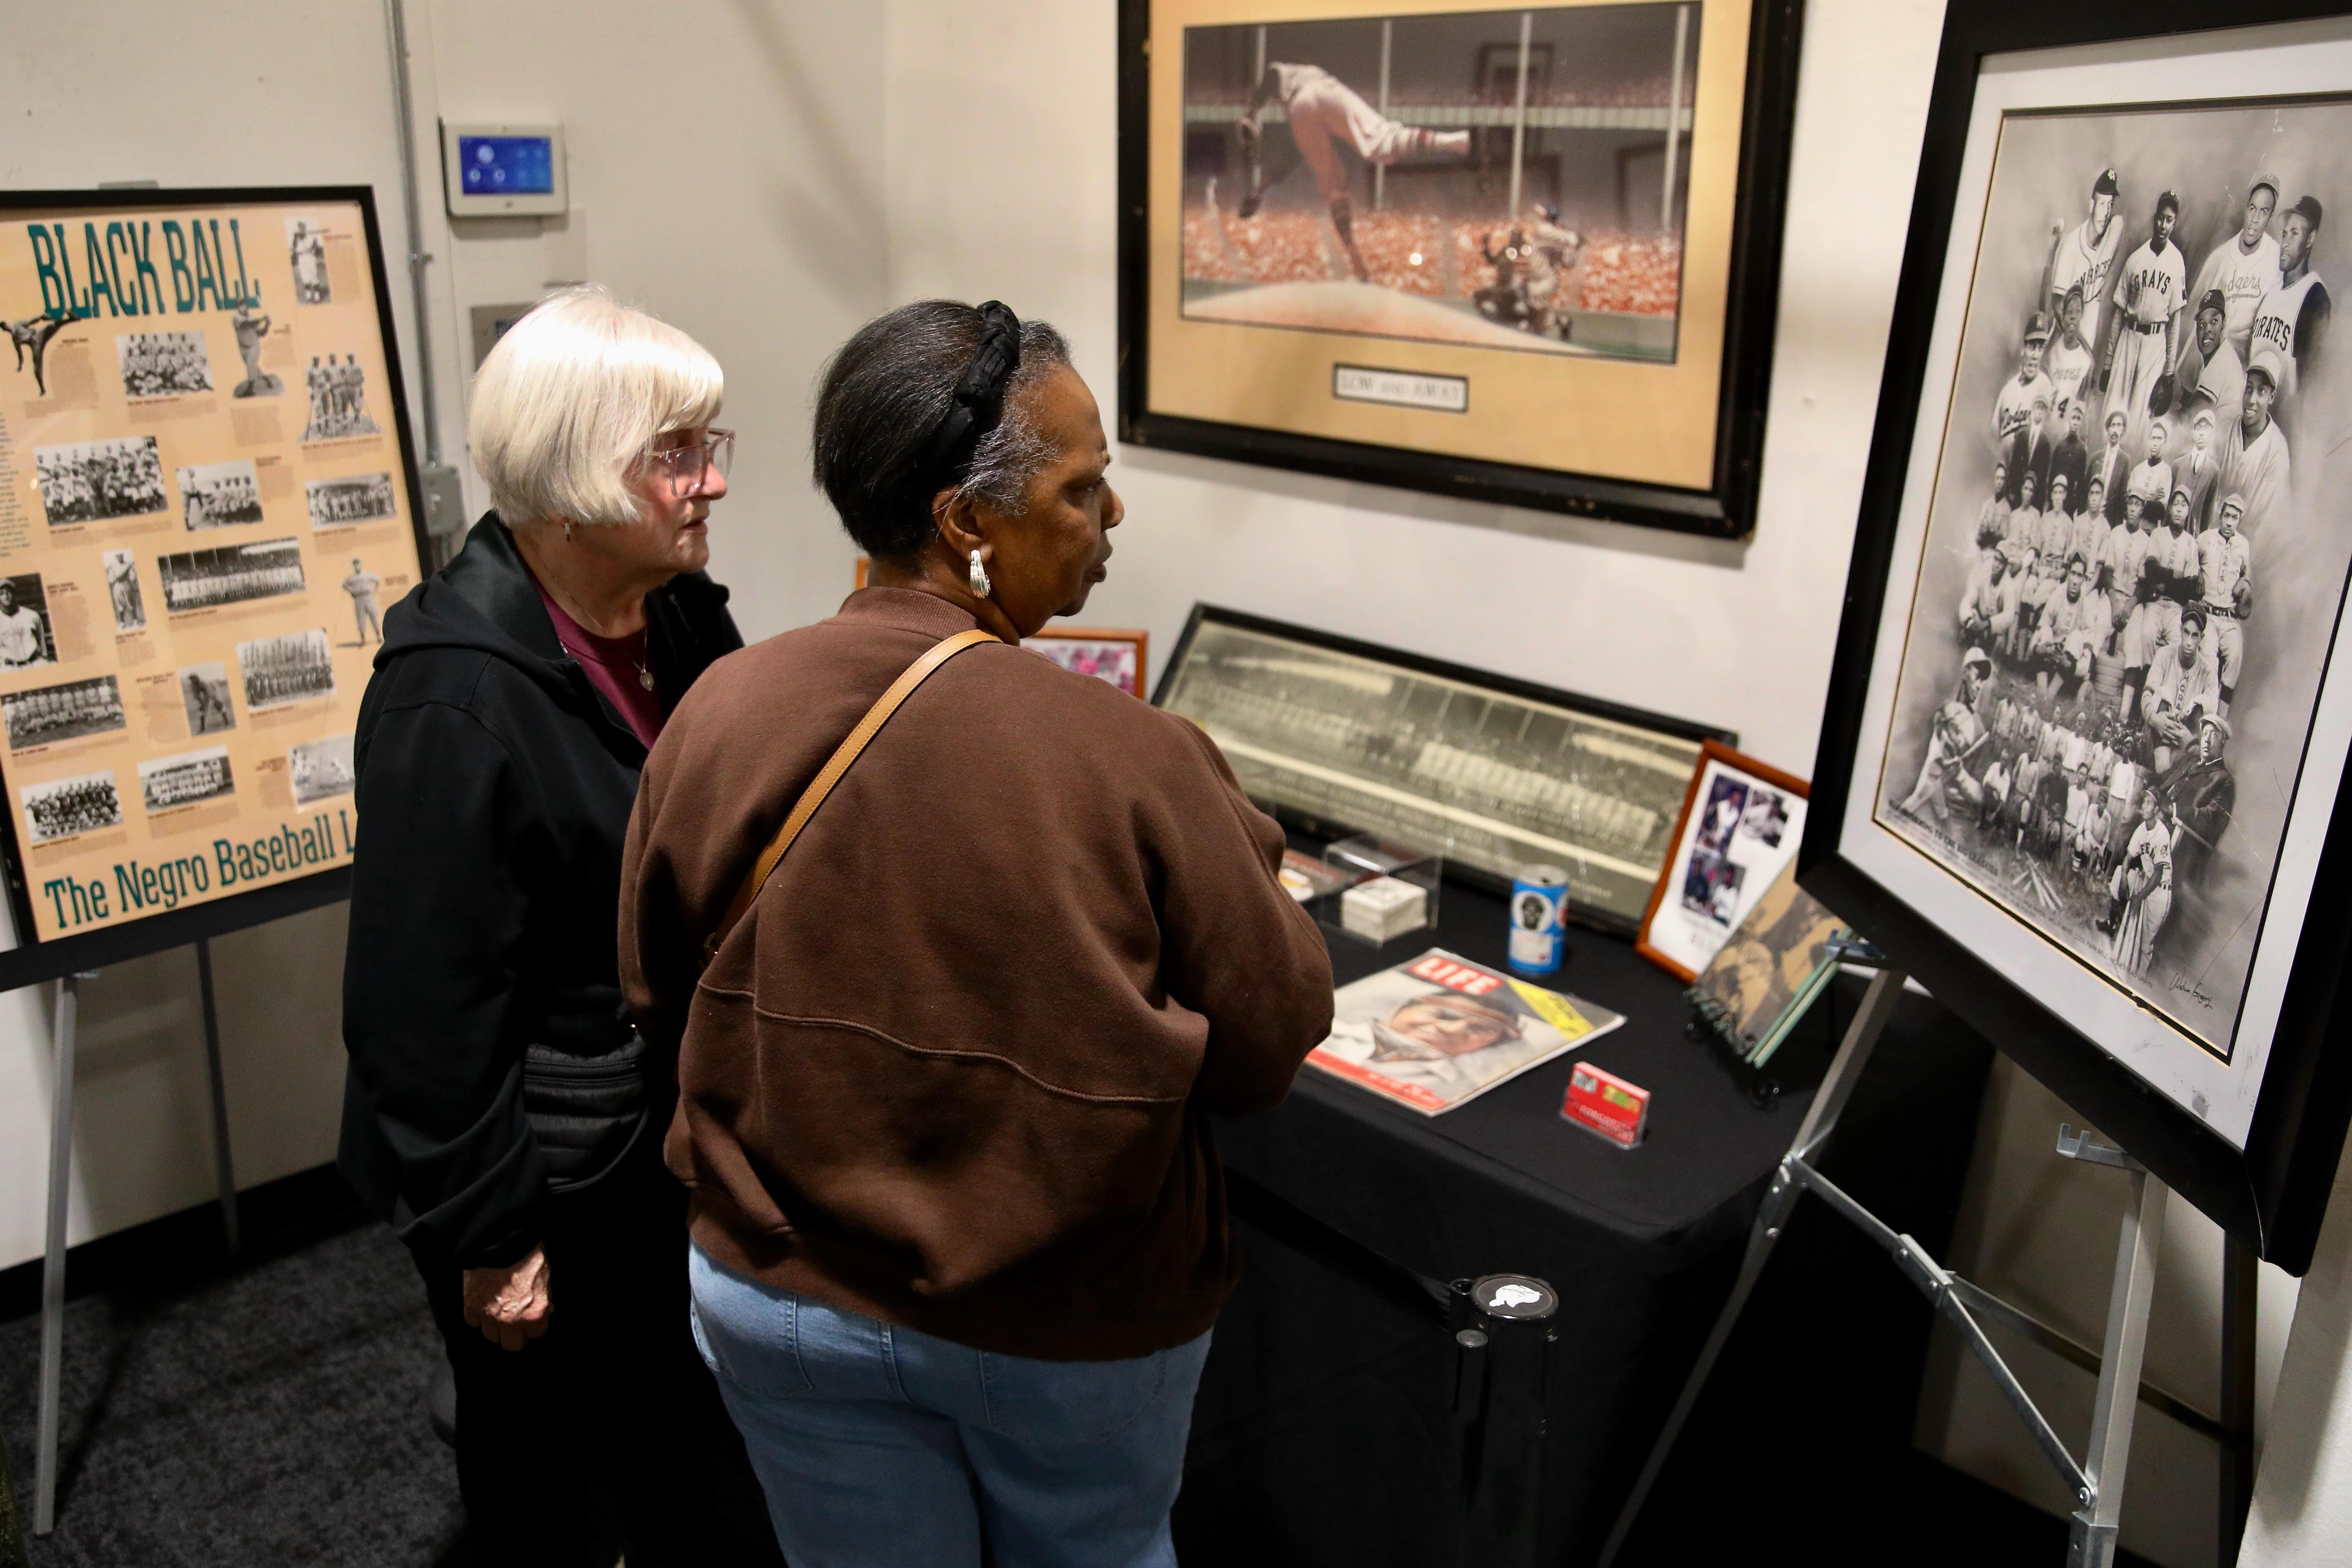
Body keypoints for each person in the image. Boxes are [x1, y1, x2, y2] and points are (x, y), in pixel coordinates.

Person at [622, 299, 1336, 1568]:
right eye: (1083, 488)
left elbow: (654, 986)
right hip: (1059, 1327)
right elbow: (1268, 1047)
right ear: (966, 524)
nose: (1111, 519)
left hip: (778, 1298)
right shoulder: (1136, 760)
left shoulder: (719, 709)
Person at [337, 286, 777, 1566]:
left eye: (709, 444)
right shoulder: (451, 701)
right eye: (675, 454)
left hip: (651, 1137)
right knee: (535, 1469)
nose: (711, 483)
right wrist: (494, 1236)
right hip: (537, 1165)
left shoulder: (684, 617)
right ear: (577, 474)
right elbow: (418, 1013)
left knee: (669, 1425)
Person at [1235, 61, 1471, 282]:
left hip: (1299, 109)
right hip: (1326, 91)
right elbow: (1288, 154)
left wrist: (1252, 115)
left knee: (1332, 185)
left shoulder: (1287, 88)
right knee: (1380, 140)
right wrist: (1251, 114)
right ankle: (1453, 141)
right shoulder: (1306, 72)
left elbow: (1271, 77)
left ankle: (1356, 261)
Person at [2101, 191, 2186, 449]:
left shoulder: (2177, 263)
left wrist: (2169, 374)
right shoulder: (2135, 259)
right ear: (2155, 218)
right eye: (2160, 218)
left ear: (2174, 223)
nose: (2163, 225)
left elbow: (2175, 322)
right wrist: (2107, 362)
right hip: (2129, 337)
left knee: (2140, 414)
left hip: (2155, 344)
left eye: (2169, 220)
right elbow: (2119, 314)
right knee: (2114, 406)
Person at [2191, 174, 2282, 365]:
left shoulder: (2276, 259)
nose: (2255, 219)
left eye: (2264, 212)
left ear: (2270, 217)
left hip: (2248, 368)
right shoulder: (2220, 257)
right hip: (2213, 364)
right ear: (2246, 209)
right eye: (2252, 209)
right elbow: (2194, 323)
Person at [2249, 195, 2328, 401]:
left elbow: (2312, 383)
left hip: (2285, 425)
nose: (2285, 243)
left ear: (2310, 239)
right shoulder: (2269, 295)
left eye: (2295, 234)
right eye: (2284, 234)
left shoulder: (2314, 296)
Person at [2049, 167, 2125, 353]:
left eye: (2110, 205)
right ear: (2091, 206)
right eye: (2101, 205)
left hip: (2092, 313)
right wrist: (2077, 341)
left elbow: (2117, 222)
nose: (2106, 213)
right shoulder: (2070, 248)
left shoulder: (2113, 230)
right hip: (2066, 325)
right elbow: (2057, 304)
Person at [2220, 346, 2293, 533]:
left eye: (2261, 391)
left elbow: (2266, 520)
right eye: (2249, 389)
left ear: (2272, 397)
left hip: (2246, 544)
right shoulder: (2228, 428)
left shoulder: (2277, 449)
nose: (2251, 400)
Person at [0, 581, 47, 668]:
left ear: (14, 594)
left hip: (35, 663)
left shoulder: (32, 615)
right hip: (10, 667)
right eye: (2, 594)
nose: (6, 597)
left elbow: (42, 644)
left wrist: (44, 657)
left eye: (8, 592)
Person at [341, 556, 382, 644]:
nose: (357, 567)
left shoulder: (367, 575)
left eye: (358, 565)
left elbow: (378, 580)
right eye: (355, 565)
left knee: (374, 615)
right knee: (361, 619)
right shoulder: (352, 578)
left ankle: (379, 636)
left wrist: (374, 591)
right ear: (354, 567)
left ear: (361, 565)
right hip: (359, 598)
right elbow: (344, 585)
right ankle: (363, 639)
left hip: (368, 597)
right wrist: (351, 591)